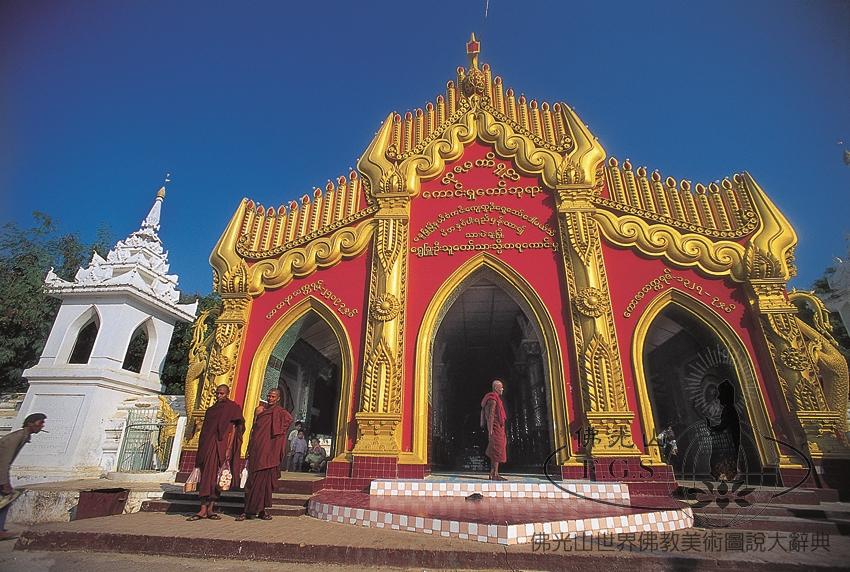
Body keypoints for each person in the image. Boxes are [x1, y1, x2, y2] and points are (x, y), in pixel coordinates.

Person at [188, 384, 244, 521]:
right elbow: (205, 432)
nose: (219, 396)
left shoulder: (232, 408)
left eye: (222, 393)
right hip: (208, 446)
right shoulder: (211, 410)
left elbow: (234, 430)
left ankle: (211, 508)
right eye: (217, 393)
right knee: (206, 477)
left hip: (222, 446)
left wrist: (229, 448)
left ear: (227, 393)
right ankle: (202, 509)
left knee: (217, 479)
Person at [239, 387, 291, 521]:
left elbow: (283, 430)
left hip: (269, 454)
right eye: (269, 396)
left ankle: (262, 510)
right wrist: (249, 448)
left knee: (265, 484)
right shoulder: (260, 411)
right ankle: (247, 510)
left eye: (273, 396)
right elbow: (254, 430)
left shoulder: (281, 413)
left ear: (278, 398)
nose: (270, 398)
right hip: (257, 451)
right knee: (252, 482)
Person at [0, 413, 46, 539]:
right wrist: (5, 482)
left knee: (5, 501)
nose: (42, 426)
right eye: (40, 422)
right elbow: (3, 462)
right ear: (30, 423)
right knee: (5, 498)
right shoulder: (16, 437)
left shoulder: (23, 436)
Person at [481, 379, 507, 481]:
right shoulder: (492, 399)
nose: (502, 389)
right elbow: (491, 415)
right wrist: (490, 430)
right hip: (495, 427)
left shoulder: (496, 398)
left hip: (499, 428)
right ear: (496, 388)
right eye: (501, 387)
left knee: (497, 448)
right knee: (497, 448)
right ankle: (494, 473)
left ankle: (494, 473)